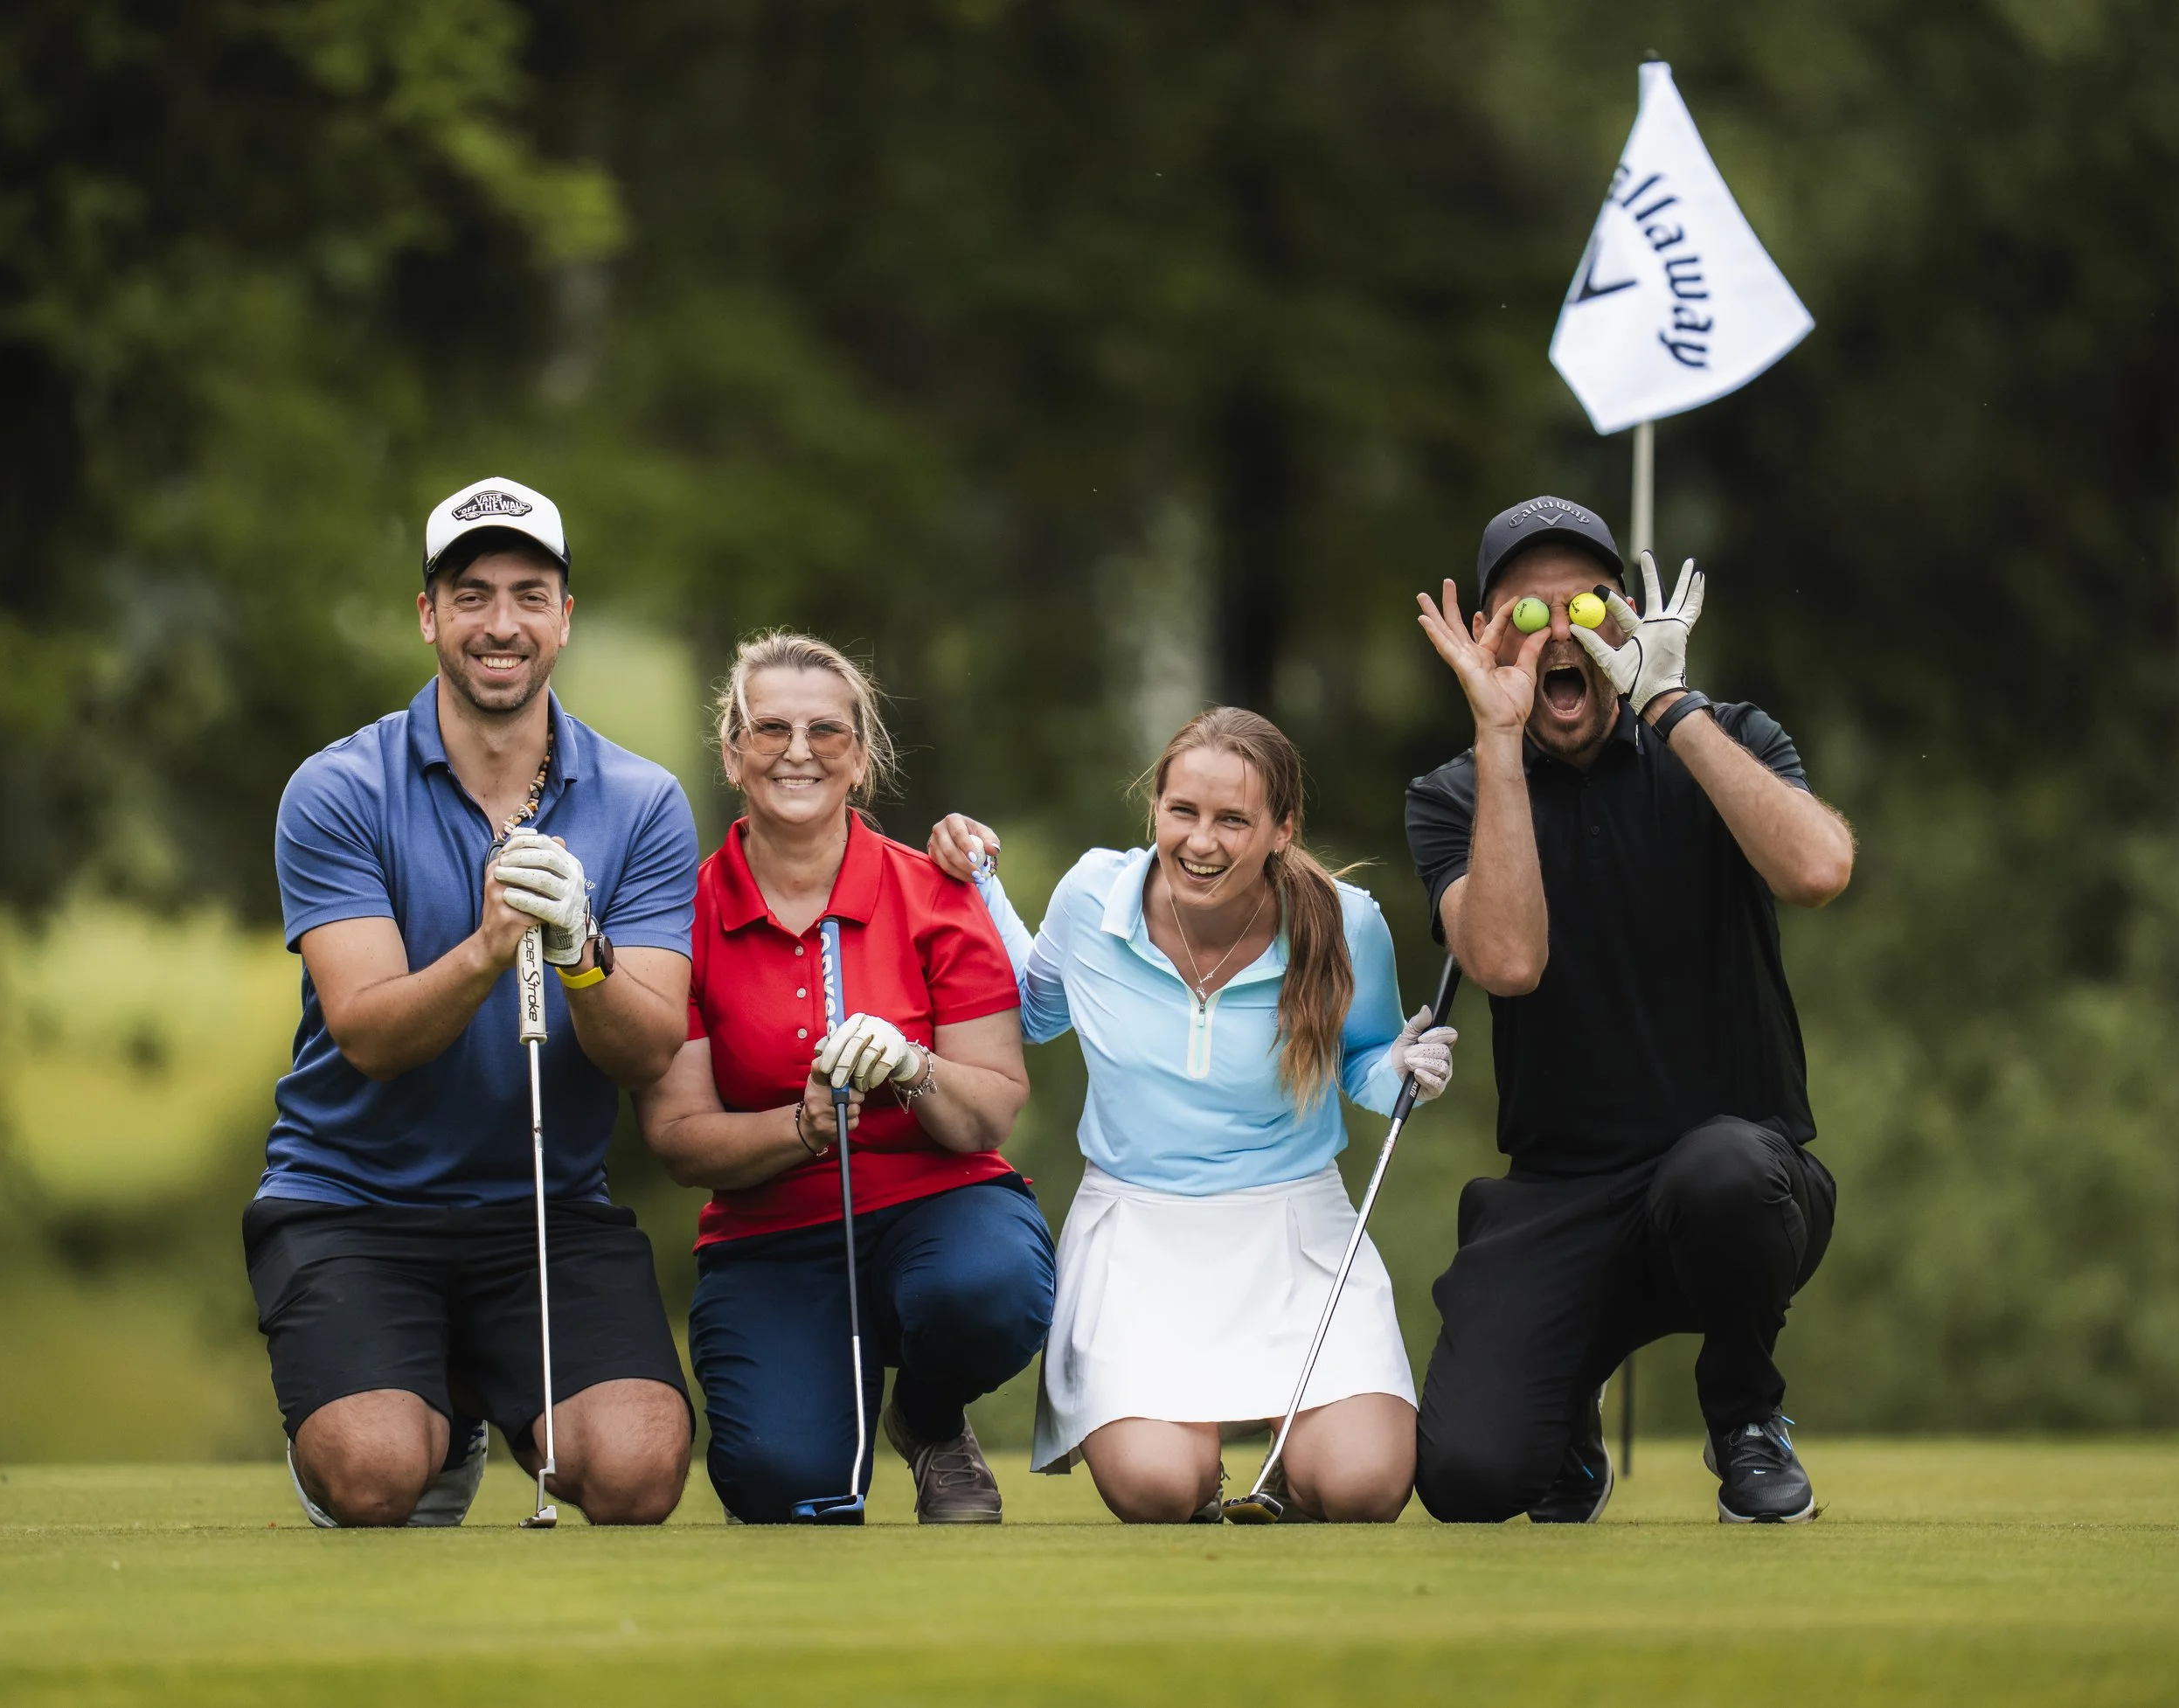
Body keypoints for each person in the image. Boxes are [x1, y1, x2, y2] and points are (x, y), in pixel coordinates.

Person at [249, 476, 697, 1529]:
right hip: (352, 1202)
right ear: (429, 616)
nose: (502, 622)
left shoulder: (642, 801)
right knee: (374, 1473)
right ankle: (430, 1411)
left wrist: (581, 954)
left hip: (544, 1206)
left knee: (637, 1473)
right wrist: (494, 943)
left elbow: (650, 1051)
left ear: (565, 619)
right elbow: (367, 1034)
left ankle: (457, 1393)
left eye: (529, 594)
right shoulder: (339, 789)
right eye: (472, 593)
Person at [1405, 494, 1855, 1526]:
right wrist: (1500, 740)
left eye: (1589, 607)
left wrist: (1670, 706)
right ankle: (1567, 1414)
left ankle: (1744, 1414)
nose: (1560, 637)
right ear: (1485, 637)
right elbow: (1509, 962)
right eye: (1526, 616)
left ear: (1629, 616)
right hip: (1563, 1195)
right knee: (1471, 1480)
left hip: (1740, 1180)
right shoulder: (1452, 793)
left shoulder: (1725, 736)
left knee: (1722, 1173)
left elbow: (1820, 867)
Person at [928, 707, 1457, 1524]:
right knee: (1157, 1488)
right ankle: (1207, 1480)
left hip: (1295, 1229)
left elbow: (1367, 1068)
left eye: (1232, 820)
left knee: (1364, 1487)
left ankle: (1296, 1469)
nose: (1200, 842)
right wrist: (978, 887)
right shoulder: (1093, 896)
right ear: (1156, 810)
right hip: (1137, 1232)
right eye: (1183, 812)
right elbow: (1035, 1013)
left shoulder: (1348, 924)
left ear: (1283, 829)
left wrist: (1402, 1071)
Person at [635, 632, 1053, 1524]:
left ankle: (930, 1415)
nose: (797, 750)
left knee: (988, 1292)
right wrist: (800, 1129)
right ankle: (825, 1405)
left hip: (939, 1206)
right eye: (770, 728)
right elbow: (678, 1138)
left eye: (827, 731)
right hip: (772, 1235)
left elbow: (989, 1112)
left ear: (861, 758)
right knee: (785, 1484)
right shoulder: (686, 914)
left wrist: (914, 1067)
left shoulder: (934, 891)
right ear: (732, 752)